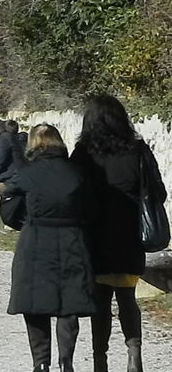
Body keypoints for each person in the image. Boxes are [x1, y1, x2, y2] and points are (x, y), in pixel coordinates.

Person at [70, 95, 166, 372]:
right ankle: (134, 353)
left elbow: (73, 192)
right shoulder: (137, 150)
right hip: (128, 235)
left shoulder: (82, 153)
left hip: (95, 237)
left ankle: (100, 360)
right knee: (127, 298)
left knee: (100, 302)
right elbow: (158, 191)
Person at [4, 123, 95, 372]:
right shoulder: (77, 173)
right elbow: (91, 208)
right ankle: (67, 361)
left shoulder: (27, 173)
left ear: (33, 143)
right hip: (72, 239)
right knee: (68, 304)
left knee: (35, 304)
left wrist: (22, 221)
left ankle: (41, 362)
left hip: (35, 240)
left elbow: (9, 209)